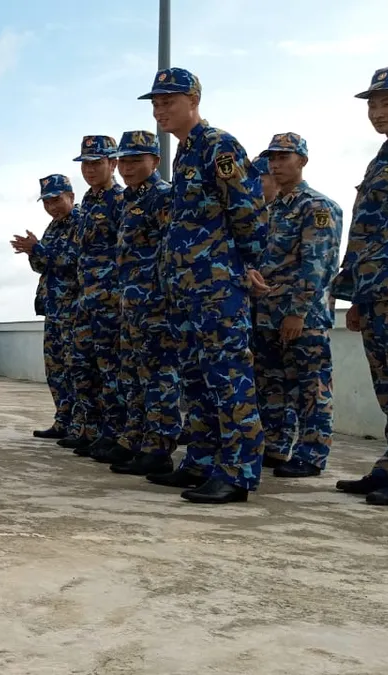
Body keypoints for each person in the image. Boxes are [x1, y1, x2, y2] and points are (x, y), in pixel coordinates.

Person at [138, 67, 270, 504]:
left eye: (169, 101)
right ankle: (201, 461)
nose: (160, 110)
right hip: (185, 288)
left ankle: (238, 472)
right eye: (156, 103)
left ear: (193, 100)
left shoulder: (219, 146)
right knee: (194, 377)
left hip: (216, 286)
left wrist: (246, 264)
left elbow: (248, 210)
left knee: (228, 375)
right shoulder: (185, 154)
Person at [330, 65, 388, 508]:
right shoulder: (383, 157)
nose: (378, 112)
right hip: (377, 293)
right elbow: (362, 232)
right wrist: (355, 297)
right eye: (373, 104)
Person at [252, 133, 343, 479]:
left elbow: (317, 265)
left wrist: (297, 312)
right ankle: (276, 446)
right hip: (268, 313)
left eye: (284, 157)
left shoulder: (317, 207)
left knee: (310, 385)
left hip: (302, 316)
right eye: (272, 158)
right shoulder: (273, 209)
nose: (275, 164)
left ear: (302, 161)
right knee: (273, 384)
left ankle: (312, 452)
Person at [99, 130, 183, 475]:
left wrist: (162, 298)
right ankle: (136, 439)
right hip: (132, 304)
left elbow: (170, 250)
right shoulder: (131, 200)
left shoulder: (162, 197)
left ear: (155, 161)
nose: (127, 167)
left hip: (156, 304)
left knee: (160, 376)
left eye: (136, 160)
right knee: (133, 375)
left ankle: (159, 447)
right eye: (123, 160)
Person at [65, 135, 126, 460]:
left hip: (110, 300)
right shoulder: (89, 201)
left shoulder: (120, 200)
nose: (89, 170)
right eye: (85, 164)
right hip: (86, 299)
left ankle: (114, 434)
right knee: (83, 366)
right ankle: (90, 429)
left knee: (111, 369)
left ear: (112, 164)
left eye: (96, 163)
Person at [11, 174, 81, 441]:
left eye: (57, 200)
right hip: (53, 307)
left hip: (74, 307)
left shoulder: (80, 222)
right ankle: (63, 420)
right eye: (47, 202)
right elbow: (44, 266)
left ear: (71, 197)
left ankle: (81, 425)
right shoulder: (53, 227)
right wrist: (33, 253)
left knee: (77, 369)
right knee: (56, 369)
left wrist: (38, 249)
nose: (52, 206)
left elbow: (72, 261)